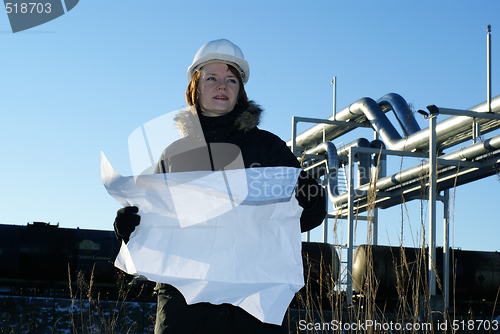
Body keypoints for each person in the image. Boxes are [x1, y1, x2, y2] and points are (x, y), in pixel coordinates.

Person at [114, 39, 327, 334]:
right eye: (211, 78)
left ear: (240, 92)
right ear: (195, 88)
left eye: (231, 80)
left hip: (251, 306)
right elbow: (154, 223)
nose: (222, 86)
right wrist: (130, 228)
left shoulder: (268, 149)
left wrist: (311, 196)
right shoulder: (174, 155)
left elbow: (302, 218)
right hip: (185, 306)